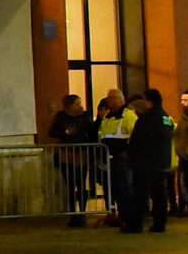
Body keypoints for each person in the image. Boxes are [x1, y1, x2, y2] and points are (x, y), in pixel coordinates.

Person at [121, 87, 174, 232]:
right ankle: (160, 223)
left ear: (149, 101)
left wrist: (130, 155)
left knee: (140, 194)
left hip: (145, 162)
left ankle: (135, 225)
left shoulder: (146, 119)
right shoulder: (166, 117)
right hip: (162, 161)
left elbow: (138, 140)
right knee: (159, 194)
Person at [46, 94, 99, 225]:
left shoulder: (85, 116)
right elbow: (52, 132)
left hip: (81, 154)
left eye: (80, 103)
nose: (80, 106)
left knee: (81, 184)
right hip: (66, 154)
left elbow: (92, 132)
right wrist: (65, 133)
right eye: (77, 103)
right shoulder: (61, 117)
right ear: (69, 106)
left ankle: (82, 212)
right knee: (69, 185)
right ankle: (72, 214)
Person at [95, 90, 133, 220]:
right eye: (108, 98)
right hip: (108, 159)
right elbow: (101, 136)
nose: (109, 100)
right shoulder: (107, 117)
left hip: (123, 159)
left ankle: (126, 216)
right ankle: (113, 214)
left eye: (112, 98)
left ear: (120, 99)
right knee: (110, 189)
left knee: (124, 189)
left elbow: (135, 136)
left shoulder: (128, 116)